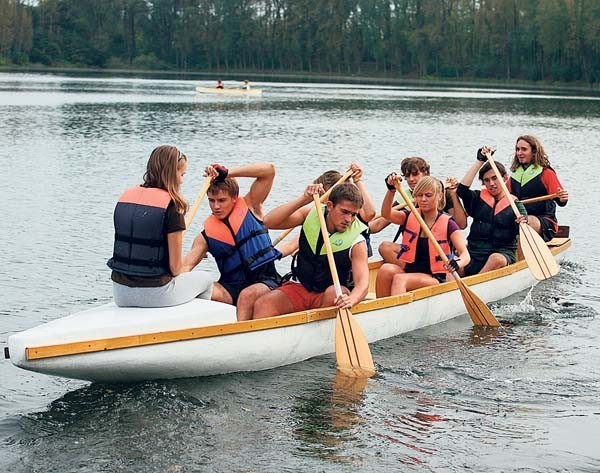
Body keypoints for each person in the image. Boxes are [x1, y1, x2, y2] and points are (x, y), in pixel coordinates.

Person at [107, 145, 214, 308]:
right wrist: (194, 257)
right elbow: (176, 269)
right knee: (206, 280)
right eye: (181, 174)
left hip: (121, 293)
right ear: (172, 173)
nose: (182, 180)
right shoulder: (172, 207)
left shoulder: (125, 197)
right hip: (155, 293)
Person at [253, 183, 369, 319]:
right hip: (302, 286)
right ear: (330, 206)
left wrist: (352, 299)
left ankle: (320, 329)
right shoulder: (311, 214)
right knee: (263, 304)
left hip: (330, 294)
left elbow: (363, 283)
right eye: (344, 212)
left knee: (336, 293)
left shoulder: (357, 241)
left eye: (353, 215)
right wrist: (303, 199)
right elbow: (269, 222)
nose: (348, 219)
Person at [182, 162, 282, 321]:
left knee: (246, 295)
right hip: (230, 287)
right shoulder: (205, 237)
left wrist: (227, 173)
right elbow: (185, 266)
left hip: (266, 281)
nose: (215, 207)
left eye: (221, 200)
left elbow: (269, 170)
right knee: (198, 289)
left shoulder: (252, 206)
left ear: (234, 198)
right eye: (211, 201)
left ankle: (240, 338)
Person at [375, 176, 470, 298]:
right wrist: (391, 190)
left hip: (435, 276)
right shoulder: (410, 216)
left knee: (400, 279)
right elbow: (386, 213)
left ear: (439, 196)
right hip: (411, 270)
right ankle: (382, 310)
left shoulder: (449, 224)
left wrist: (457, 263)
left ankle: (398, 314)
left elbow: (465, 255)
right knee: (385, 270)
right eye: (419, 195)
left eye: (428, 195)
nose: (423, 199)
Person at [373, 157, 467, 265]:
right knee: (385, 249)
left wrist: (453, 193)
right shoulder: (405, 198)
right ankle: (410, 270)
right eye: (407, 176)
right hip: (413, 251)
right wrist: (391, 190)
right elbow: (381, 220)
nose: (411, 179)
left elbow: (461, 224)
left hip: (438, 255)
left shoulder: (442, 192)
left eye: (415, 174)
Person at [456, 146, 528, 276]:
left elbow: (524, 228)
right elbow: (461, 190)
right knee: (455, 262)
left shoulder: (515, 205)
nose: (492, 183)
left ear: (505, 178)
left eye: (495, 178)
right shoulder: (477, 199)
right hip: (475, 254)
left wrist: (522, 223)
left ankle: (476, 283)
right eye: (487, 180)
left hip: (502, 254)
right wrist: (479, 161)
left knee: (496, 259)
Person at [507, 135, 569, 241]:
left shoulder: (546, 173)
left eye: (524, 149)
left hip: (545, 222)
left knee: (525, 221)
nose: (519, 153)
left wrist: (563, 198)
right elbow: (503, 197)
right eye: (517, 149)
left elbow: (561, 201)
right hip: (518, 219)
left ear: (534, 152)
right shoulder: (514, 175)